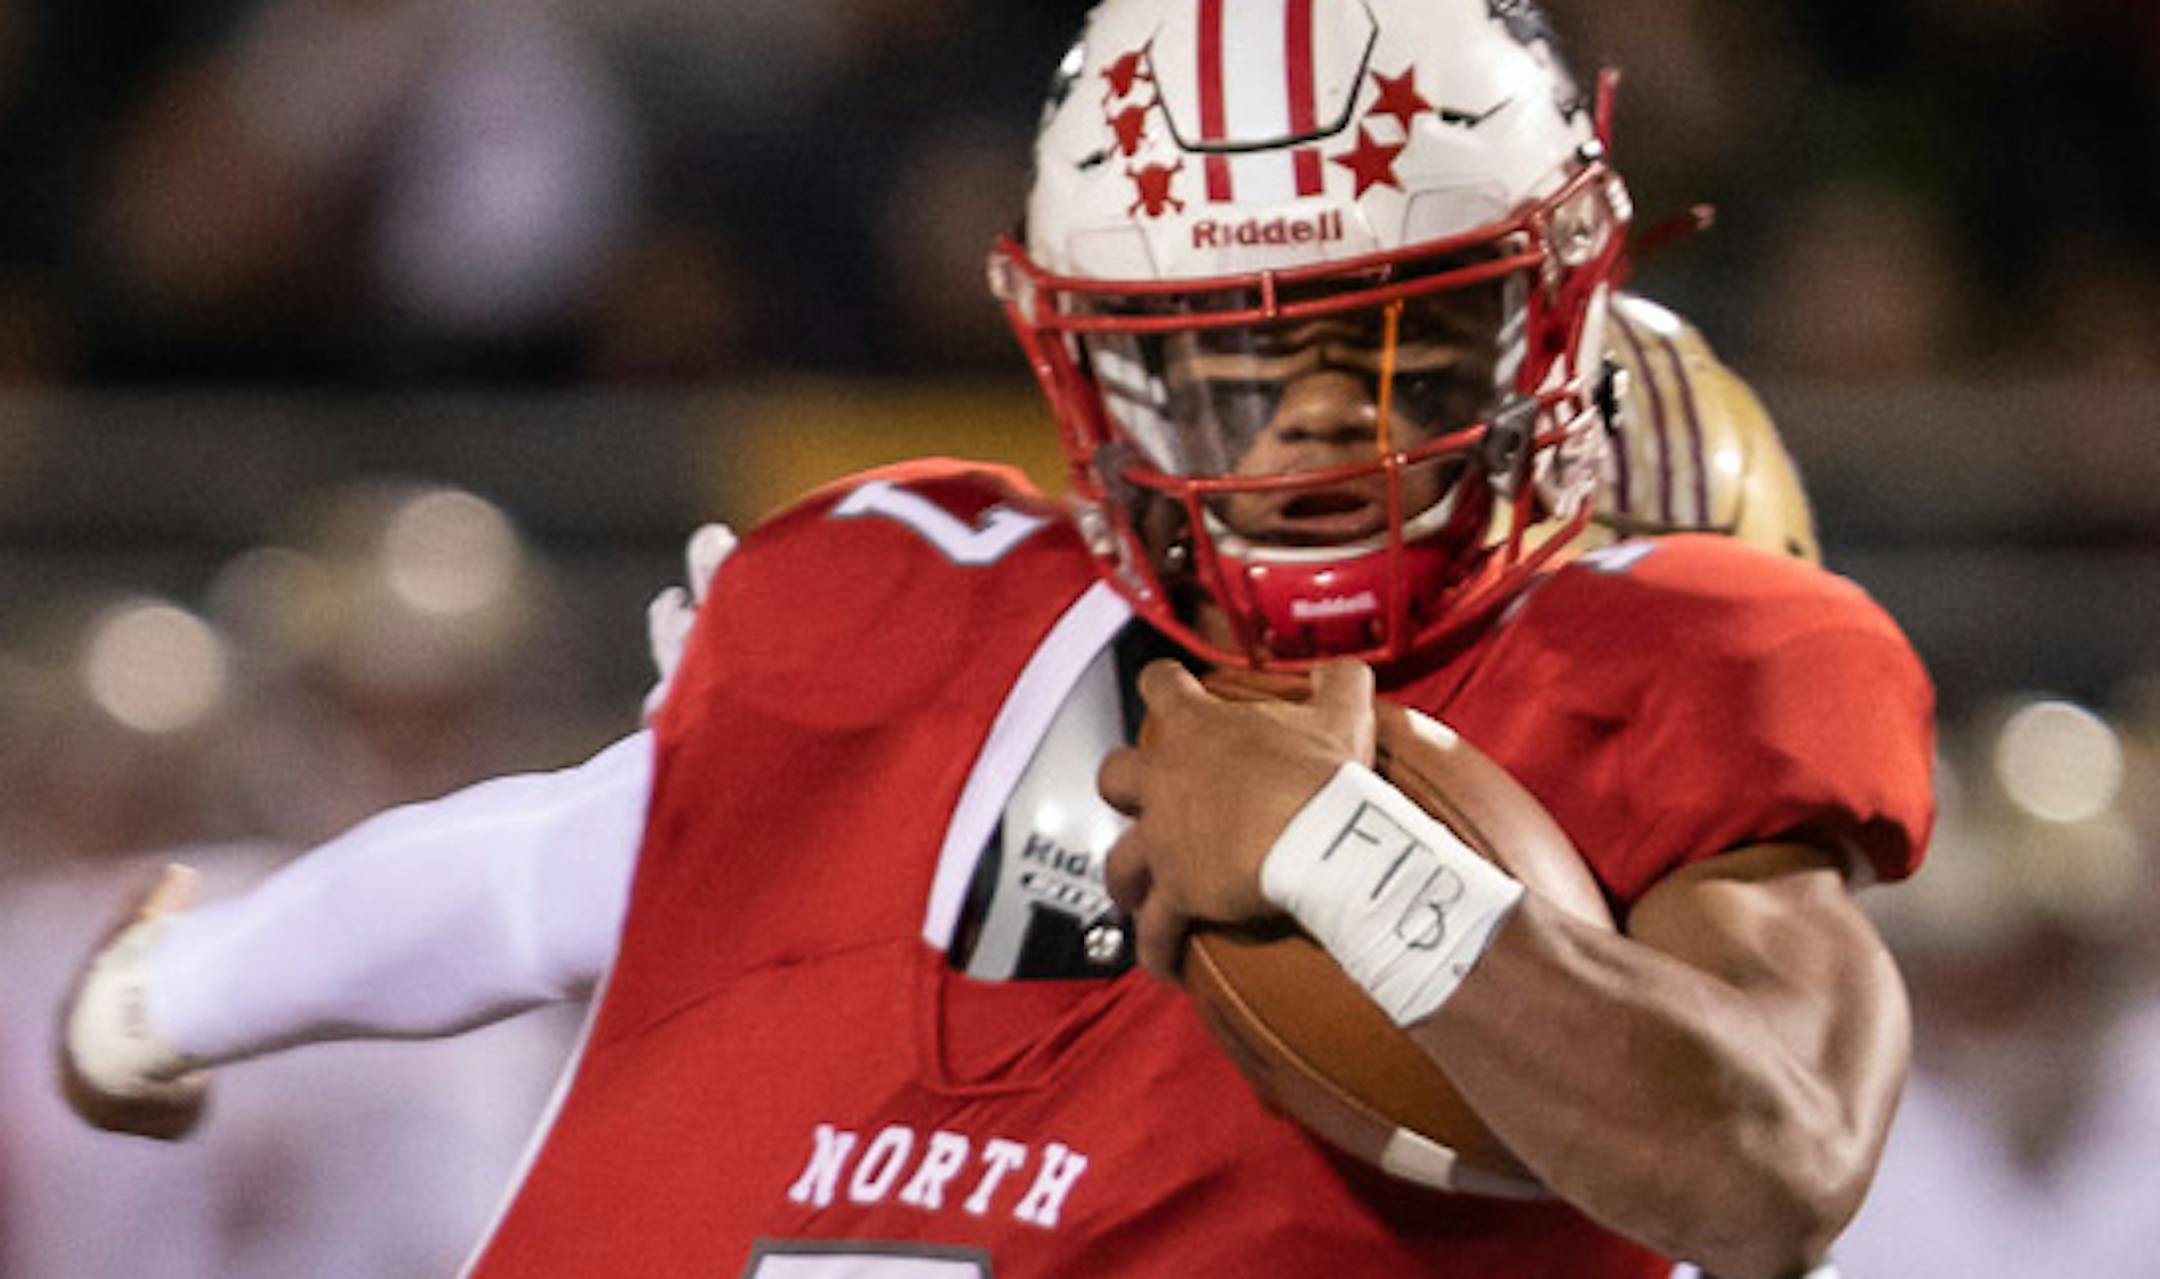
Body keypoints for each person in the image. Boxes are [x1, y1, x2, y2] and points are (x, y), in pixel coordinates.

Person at [56, 2, 1934, 1276]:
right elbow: (568, 860)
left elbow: (1762, 1167)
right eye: (1217, 364)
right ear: (1085, 359)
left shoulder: (1674, 669)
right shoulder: (899, 603)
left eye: (1395, 343)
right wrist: (174, 994)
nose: (1306, 431)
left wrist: (1340, 850)